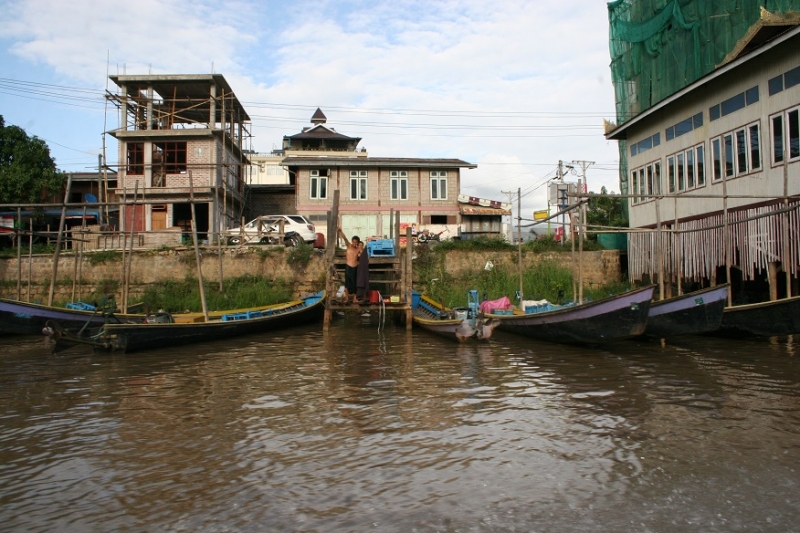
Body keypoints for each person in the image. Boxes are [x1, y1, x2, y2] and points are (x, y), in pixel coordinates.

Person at [338, 228, 362, 303]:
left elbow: (362, 255)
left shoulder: (358, 249)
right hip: (348, 267)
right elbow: (344, 238)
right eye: (353, 242)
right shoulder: (349, 246)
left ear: (358, 243)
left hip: (355, 267)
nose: (354, 243)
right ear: (352, 242)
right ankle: (347, 298)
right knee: (347, 283)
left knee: (355, 283)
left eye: (356, 242)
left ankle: (355, 298)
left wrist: (360, 260)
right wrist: (340, 231)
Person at [356, 237, 370, 302]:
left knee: (364, 282)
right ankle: (357, 297)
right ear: (357, 245)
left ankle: (364, 297)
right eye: (359, 245)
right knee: (358, 282)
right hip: (357, 269)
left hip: (363, 269)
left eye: (361, 245)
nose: (360, 246)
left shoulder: (365, 252)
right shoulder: (356, 252)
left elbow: (367, 260)